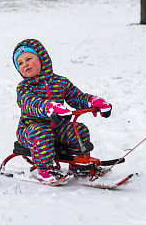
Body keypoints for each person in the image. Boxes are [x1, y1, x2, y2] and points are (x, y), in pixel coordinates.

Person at [13, 39, 112, 184]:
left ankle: (78, 165)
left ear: (42, 59)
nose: (25, 64)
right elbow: (29, 103)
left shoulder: (60, 82)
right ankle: (44, 169)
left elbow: (77, 98)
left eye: (28, 59)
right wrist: (49, 107)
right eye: (20, 63)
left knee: (79, 129)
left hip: (57, 128)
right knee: (42, 132)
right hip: (30, 130)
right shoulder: (24, 88)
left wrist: (92, 102)